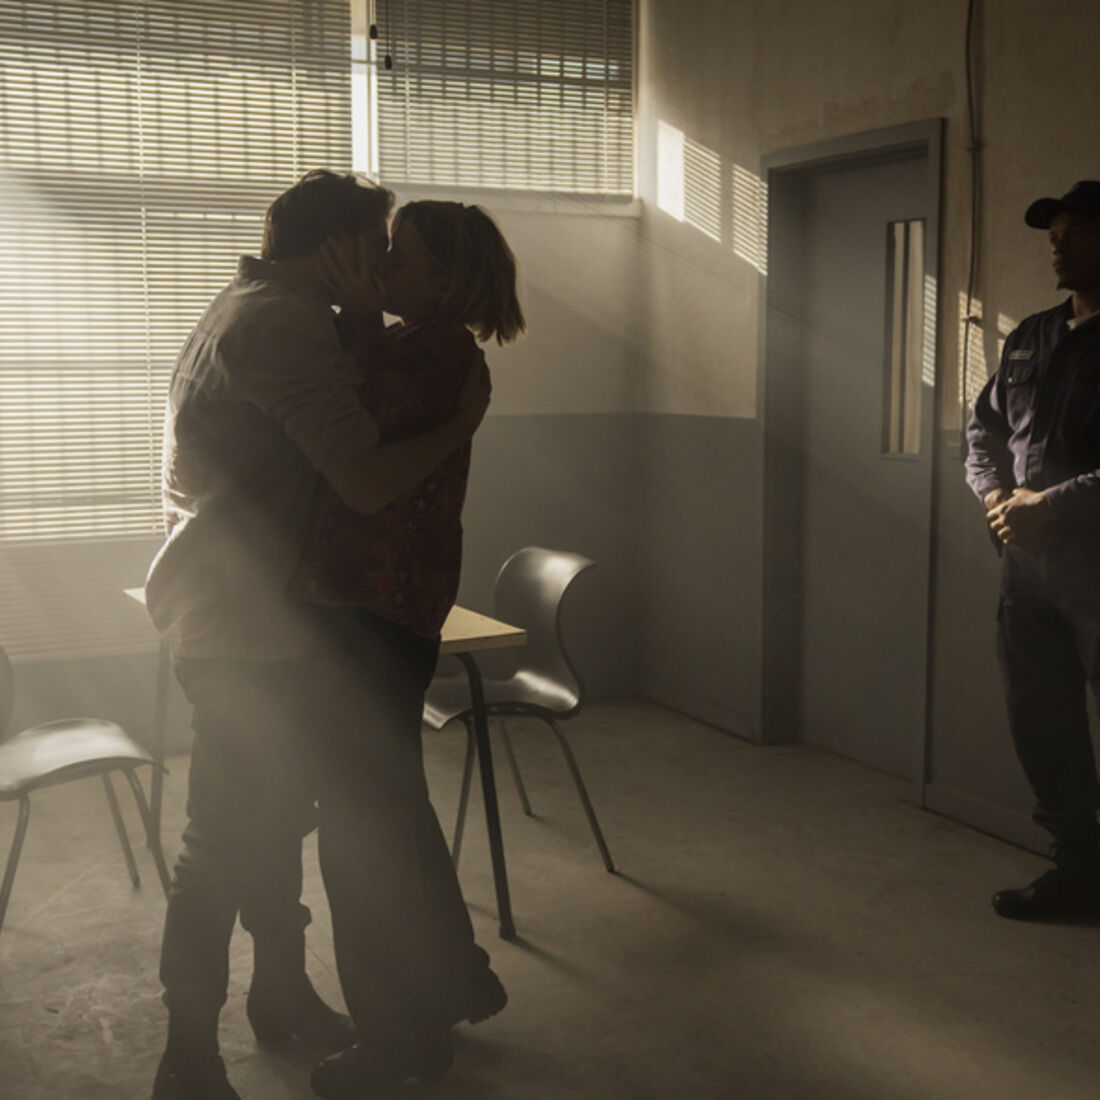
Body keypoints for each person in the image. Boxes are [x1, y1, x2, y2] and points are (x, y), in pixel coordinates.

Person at [145, 172, 491, 1100]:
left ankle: (281, 995)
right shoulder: (284, 324)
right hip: (243, 623)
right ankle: (188, 1055)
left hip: (258, 615)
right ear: (333, 247)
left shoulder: (262, 303)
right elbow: (366, 481)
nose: (384, 266)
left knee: (274, 822)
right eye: (377, 246)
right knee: (224, 839)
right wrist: (463, 424)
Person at [286, 201, 525, 1098]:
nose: (382, 264)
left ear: (446, 281)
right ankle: (449, 985)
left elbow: (348, 417)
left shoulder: (436, 350)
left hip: (373, 619)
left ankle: (399, 1042)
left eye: (401, 255)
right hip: (375, 615)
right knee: (388, 816)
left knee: (359, 839)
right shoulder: (421, 344)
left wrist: (348, 311)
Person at [965, 179, 1100, 921]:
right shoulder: (1033, 337)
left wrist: (1054, 506)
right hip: (1027, 572)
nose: (1058, 241)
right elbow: (982, 432)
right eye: (1055, 230)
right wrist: (992, 496)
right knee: (1043, 723)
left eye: (1076, 229)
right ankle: (1078, 871)